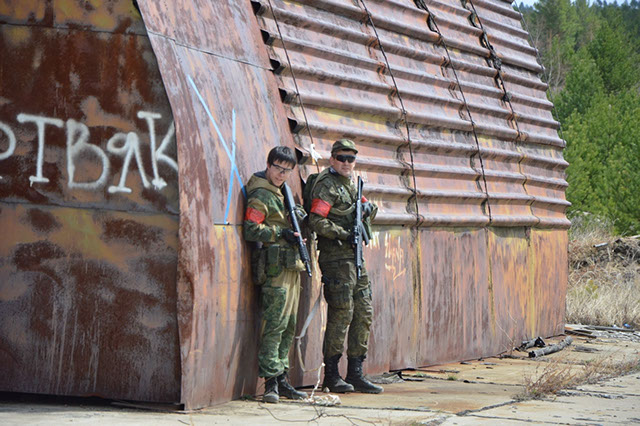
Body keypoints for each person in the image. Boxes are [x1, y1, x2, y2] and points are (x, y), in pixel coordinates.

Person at [307, 139, 383, 394]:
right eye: (341, 158)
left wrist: (368, 209)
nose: (346, 163)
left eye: (351, 159)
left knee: (364, 312)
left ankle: (355, 372)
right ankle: (331, 375)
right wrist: (343, 234)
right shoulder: (327, 186)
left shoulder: (351, 185)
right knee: (342, 313)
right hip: (336, 259)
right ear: (332, 159)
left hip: (355, 258)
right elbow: (316, 221)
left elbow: (364, 210)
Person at [243, 146, 308, 403]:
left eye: (287, 170)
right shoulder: (261, 194)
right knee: (275, 324)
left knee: (289, 325)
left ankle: (282, 379)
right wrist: (279, 233)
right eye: (278, 168)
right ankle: (270, 382)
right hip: (275, 268)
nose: (282, 174)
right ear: (268, 165)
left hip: (290, 267)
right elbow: (251, 229)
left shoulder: (282, 192)